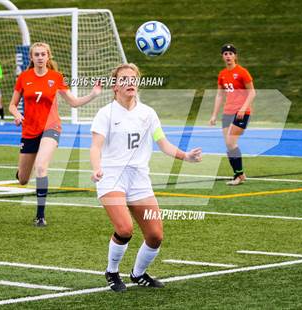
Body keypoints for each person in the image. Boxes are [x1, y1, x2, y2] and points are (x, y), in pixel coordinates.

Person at [90, 63, 202, 292]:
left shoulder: (148, 113)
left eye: (133, 79)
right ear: (115, 86)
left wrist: (186, 156)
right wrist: (96, 168)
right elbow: (95, 147)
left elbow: (163, 143)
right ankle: (112, 271)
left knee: (155, 235)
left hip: (139, 179)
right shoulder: (105, 114)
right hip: (112, 177)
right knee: (124, 229)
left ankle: (138, 274)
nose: (129, 82)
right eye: (124, 79)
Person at [8, 42, 101, 226]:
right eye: (37, 54)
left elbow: (73, 102)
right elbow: (12, 104)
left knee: (42, 167)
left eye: (43, 54)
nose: (40, 57)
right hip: (29, 130)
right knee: (23, 181)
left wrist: (93, 95)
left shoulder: (56, 77)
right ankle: (22, 172)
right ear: (31, 57)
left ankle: (40, 216)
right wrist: (17, 114)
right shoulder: (24, 78)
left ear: (48, 56)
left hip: (51, 128)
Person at [209, 43, 256, 185]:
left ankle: (238, 177)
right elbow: (219, 95)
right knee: (228, 145)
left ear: (235, 56)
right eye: (225, 54)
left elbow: (252, 92)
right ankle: (240, 174)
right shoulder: (222, 74)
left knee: (231, 142)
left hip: (241, 112)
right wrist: (214, 115)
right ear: (222, 57)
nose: (228, 56)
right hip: (227, 112)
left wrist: (243, 108)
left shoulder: (242, 72)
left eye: (230, 53)